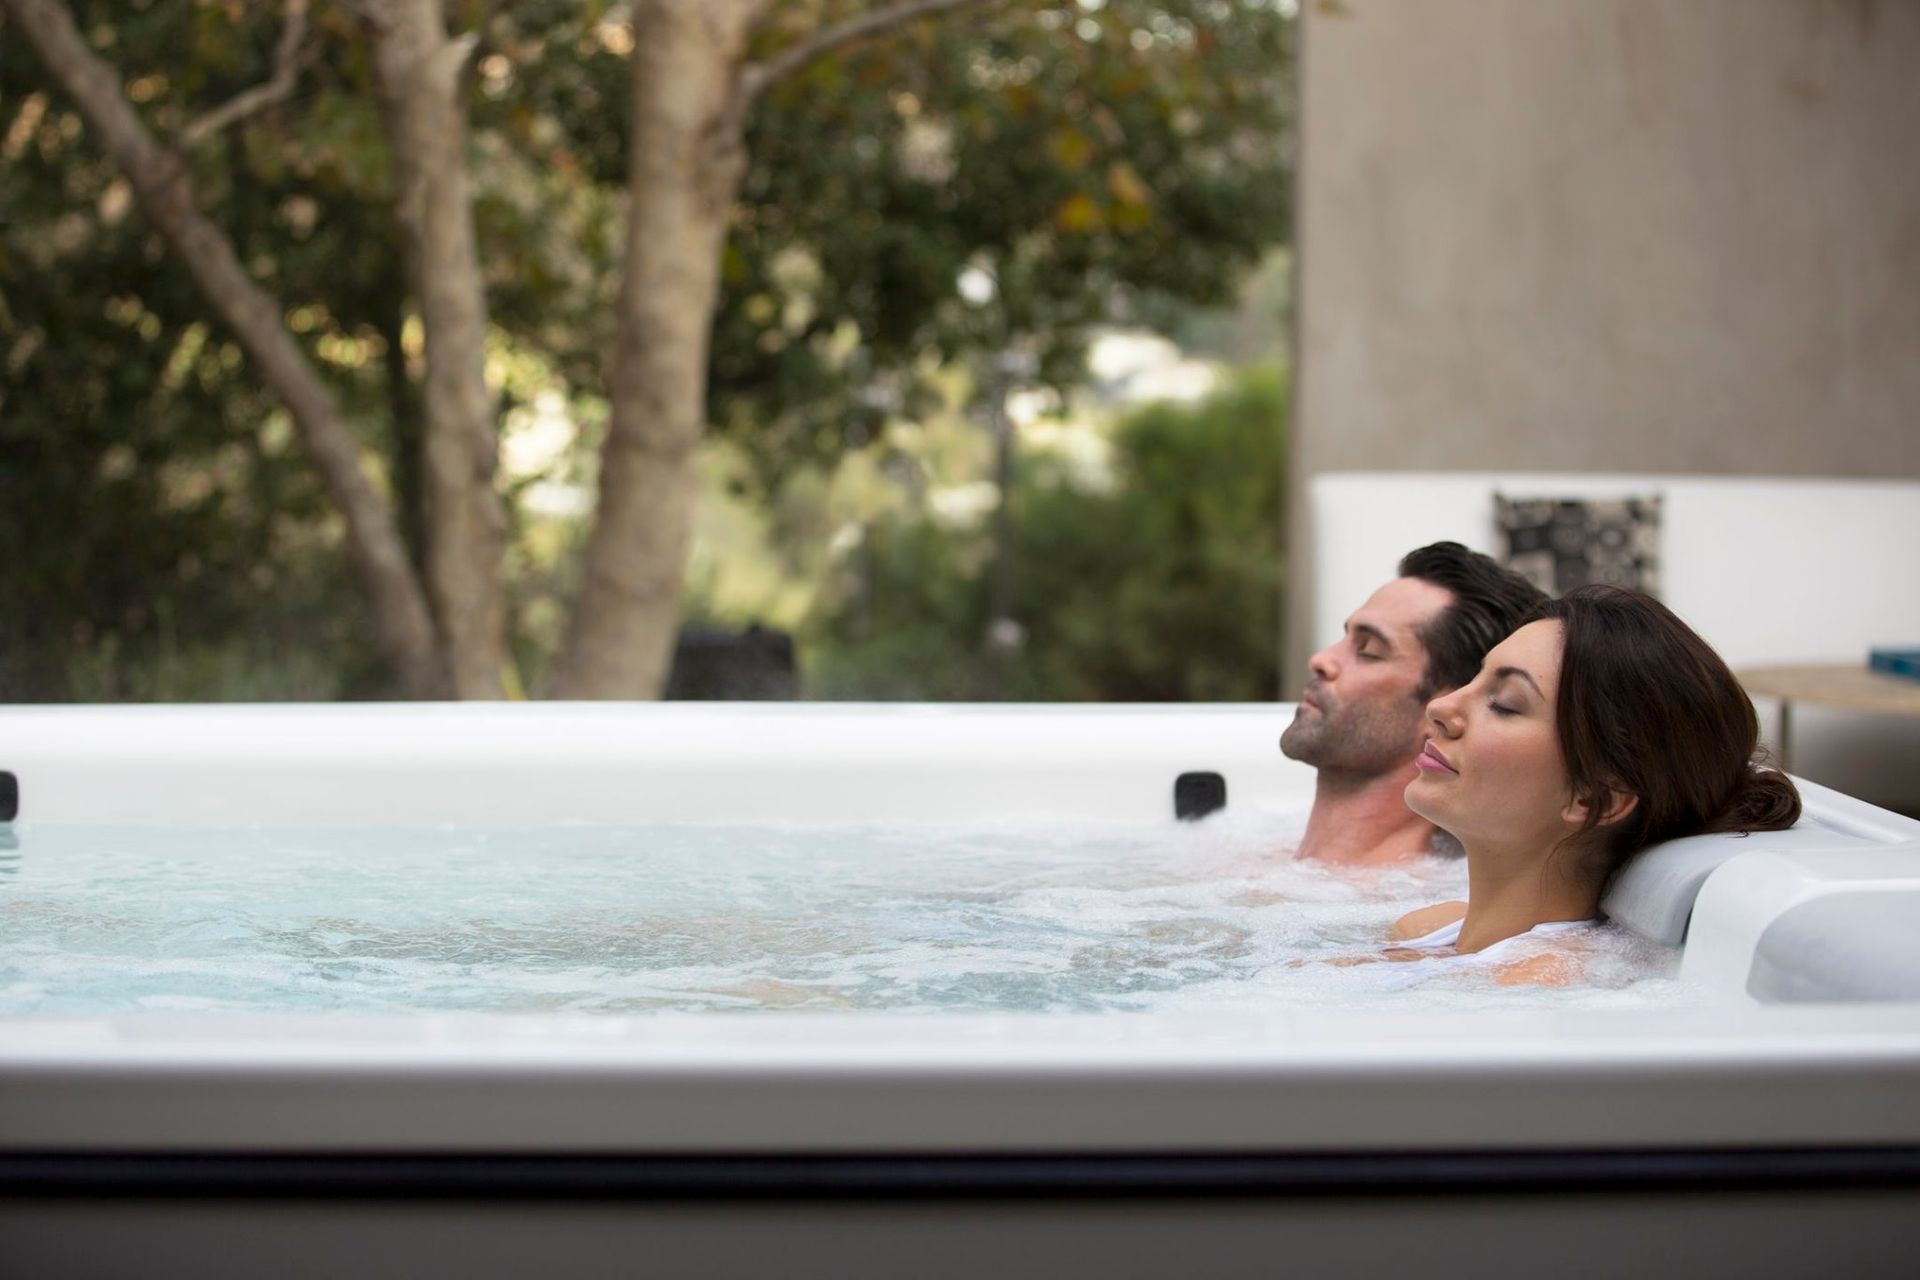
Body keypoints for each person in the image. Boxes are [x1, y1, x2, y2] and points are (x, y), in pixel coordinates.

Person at [1389, 584, 1801, 984]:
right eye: (1477, 679)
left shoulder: (1539, 986)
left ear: (1596, 799)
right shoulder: (1432, 930)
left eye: (1504, 704)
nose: (1441, 707)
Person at [1282, 543, 1546, 865]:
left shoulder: (1412, 908)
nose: (1321, 660)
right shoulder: (1251, 849)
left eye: (1368, 649)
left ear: (1445, 709)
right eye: (1346, 636)